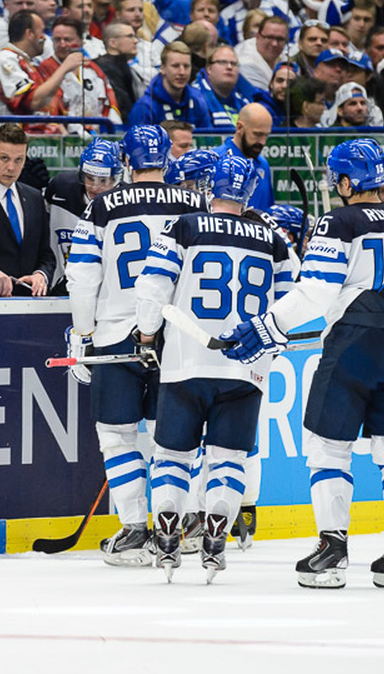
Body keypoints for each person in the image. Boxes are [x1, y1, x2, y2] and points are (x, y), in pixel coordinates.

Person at [217, 138, 384, 589]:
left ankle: (333, 549)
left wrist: (264, 327)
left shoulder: (339, 221)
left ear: (348, 180)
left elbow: (313, 293)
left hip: (354, 349)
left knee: (327, 448)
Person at [136, 155, 299, 581]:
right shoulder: (273, 238)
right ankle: (215, 538)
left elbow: (153, 284)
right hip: (246, 367)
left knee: (172, 454)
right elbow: (291, 302)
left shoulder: (184, 226)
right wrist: (272, 347)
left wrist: (149, 334)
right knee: (228, 458)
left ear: (211, 189)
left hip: (186, 361)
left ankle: (168, 535)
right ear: (247, 193)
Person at [64, 124, 208, 566]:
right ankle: (184, 526)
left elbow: (83, 276)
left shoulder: (102, 205)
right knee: (179, 438)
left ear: (125, 163)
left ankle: (134, 530)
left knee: (117, 435)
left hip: (114, 335)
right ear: (166, 161)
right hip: (177, 335)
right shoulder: (194, 203)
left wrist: (82, 333)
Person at [0, 123, 56, 297]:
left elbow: (46, 254)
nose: (11, 167)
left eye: (19, 160)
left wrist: (41, 275)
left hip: (30, 303)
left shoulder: (34, 198)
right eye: (4, 158)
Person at [44, 137, 121, 295]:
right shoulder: (60, 188)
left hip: (108, 295)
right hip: (57, 290)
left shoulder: (125, 202)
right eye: (90, 178)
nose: (95, 187)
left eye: (103, 180)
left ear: (115, 179)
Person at [0, 10, 75, 131]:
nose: (45, 38)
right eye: (41, 32)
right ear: (29, 33)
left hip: (39, 140)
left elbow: (48, 107)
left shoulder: (31, 64)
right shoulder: (4, 60)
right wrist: (63, 68)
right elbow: (32, 102)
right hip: (11, 140)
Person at [37, 17, 121, 132]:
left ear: (81, 41)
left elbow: (110, 103)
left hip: (97, 134)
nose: (62, 45)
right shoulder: (45, 68)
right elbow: (49, 111)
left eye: (68, 39)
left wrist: (113, 132)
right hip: (65, 138)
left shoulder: (93, 68)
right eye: (57, 40)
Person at [129, 41, 211, 127]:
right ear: (162, 68)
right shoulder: (145, 107)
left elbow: (208, 139)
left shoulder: (197, 99)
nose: (182, 72)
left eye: (186, 66)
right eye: (175, 66)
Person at [213, 103, 274, 212]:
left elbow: (267, 209)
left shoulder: (263, 164)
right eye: (257, 134)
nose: (263, 142)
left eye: (266, 135)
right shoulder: (216, 160)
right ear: (239, 127)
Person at [193, 44, 252, 132]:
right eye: (222, 62)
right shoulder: (195, 98)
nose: (229, 67)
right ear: (209, 69)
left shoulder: (244, 101)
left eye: (233, 63)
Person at [95, 22, 145, 121]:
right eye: (130, 36)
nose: (135, 41)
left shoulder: (122, 65)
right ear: (113, 43)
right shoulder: (107, 68)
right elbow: (123, 106)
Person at [238, 14, 290, 92]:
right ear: (258, 37)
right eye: (269, 37)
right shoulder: (246, 64)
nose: (274, 44)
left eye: (280, 39)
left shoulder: (282, 57)